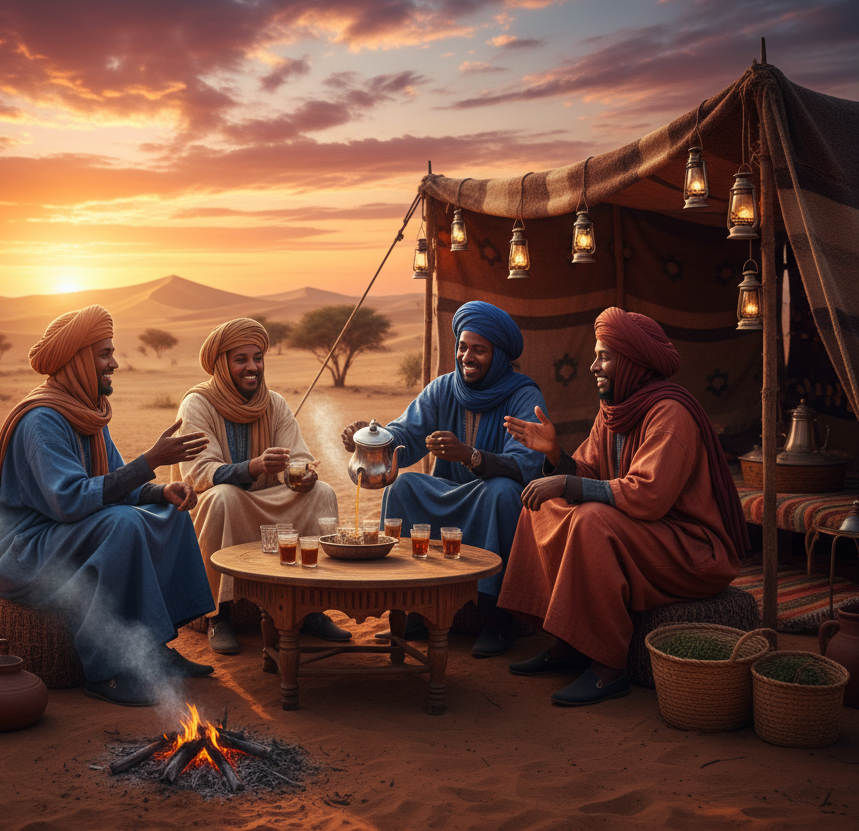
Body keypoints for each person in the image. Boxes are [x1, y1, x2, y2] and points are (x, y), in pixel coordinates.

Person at [499, 307, 749, 706]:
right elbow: (586, 470)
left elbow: (647, 495)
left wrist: (569, 482)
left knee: (592, 521)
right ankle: (568, 644)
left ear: (632, 362)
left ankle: (608, 667)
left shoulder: (671, 414)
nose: (593, 365)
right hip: (646, 535)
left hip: (689, 549)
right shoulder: (613, 411)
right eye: (597, 355)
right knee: (542, 506)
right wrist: (554, 453)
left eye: (605, 356)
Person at [0, 304, 216, 708]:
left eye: (111, 353)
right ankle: (108, 670)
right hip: (22, 552)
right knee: (121, 524)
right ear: (78, 361)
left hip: (62, 536)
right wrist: (150, 461)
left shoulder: (84, 414)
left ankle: (155, 648)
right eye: (104, 354)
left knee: (168, 517)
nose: (114, 363)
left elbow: (115, 483)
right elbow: (70, 499)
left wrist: (162, 493)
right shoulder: (41, 421)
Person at [342, 300, 546, 657]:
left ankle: (496, 620)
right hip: (449, 491)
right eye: (463, 347)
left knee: (501, 492)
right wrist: (370, 437)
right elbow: (405, 433)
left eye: (479, 350)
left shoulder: (523, 395)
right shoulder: (443, 388)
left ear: (498, 355)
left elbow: (526, 466)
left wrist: (470, 456)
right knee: (404, 486)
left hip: (490, 494)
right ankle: (411, 610)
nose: (467, 356)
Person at [176, 317, 347, 655]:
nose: (252, 367)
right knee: (223, 496)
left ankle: (312, 609)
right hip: (221, 505)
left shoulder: (275, 404)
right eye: (241, 359)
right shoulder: (197, 404)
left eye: (258, 358)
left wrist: (302, 475)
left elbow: (297, 458)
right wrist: (250, 468)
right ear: (223, 365)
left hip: (268, 500)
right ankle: (219, 617)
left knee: (322, 491)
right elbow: (197, 473)